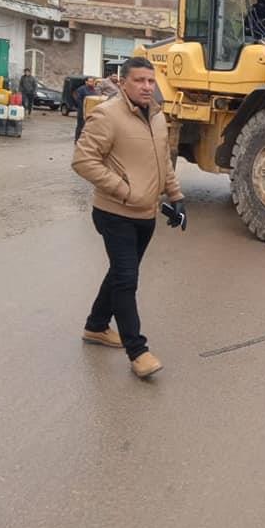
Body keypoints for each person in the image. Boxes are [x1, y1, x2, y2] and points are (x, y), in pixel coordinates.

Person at [71, 57, 186, 378]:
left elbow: (163, 160)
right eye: (139, 80)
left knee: (122, 272)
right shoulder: (108, 115)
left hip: (146, 213)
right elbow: (83, 160)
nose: (147, 86)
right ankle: (138, 351)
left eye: (151, 81)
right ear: (124, 83)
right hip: (114, 212)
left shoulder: (158, 117)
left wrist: (176, 197)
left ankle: (96, 326)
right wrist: (124, 190)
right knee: (126, 278)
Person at [73, 77, 98, 142]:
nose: (91, 83)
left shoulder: (94, 90)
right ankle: (77, 140)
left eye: (92, 81)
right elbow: (78, 99)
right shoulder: (81, 89)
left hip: (91, 111)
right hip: (82, 111)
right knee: (81, 126)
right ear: (86, 82)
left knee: (89, 127)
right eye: (90, 81)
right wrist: (82, 108)